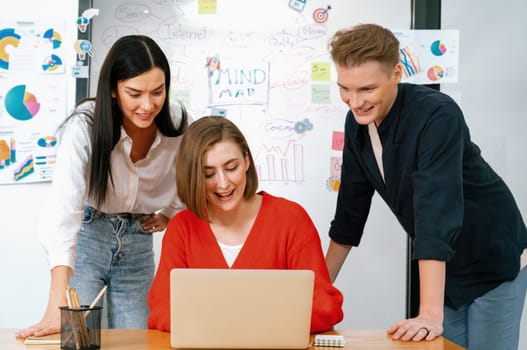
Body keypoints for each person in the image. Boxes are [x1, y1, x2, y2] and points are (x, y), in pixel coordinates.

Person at [325, 23, 527, 349]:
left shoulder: (436, 115)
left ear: (396, 73)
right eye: (345, 88)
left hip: (492, 255)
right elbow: (350, 211)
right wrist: (319, 288)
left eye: (367, 89)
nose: (355, 101)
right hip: (445, 266)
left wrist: (430, 313)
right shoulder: (357, 125)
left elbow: (435, 213)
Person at [16, 34, 189, 338]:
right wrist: (57, 298)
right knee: (77, 337)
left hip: (138, 241)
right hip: (89, 235)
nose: (148, 105)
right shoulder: (85, 125)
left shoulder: (177, 123)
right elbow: (63, 208)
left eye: (157, 92)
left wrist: (172, 212)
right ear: (112, 89)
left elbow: (194, 174)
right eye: (134, 93)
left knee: (136, 339)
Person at [147, 116, 343, 333]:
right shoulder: (182, 228)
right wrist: (252, 318)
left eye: (231, 168)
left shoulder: (291, 220)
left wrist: (230, 321)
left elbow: (325, 306)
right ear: (192, 176)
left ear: (247, 161)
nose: (223, 184)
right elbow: (162, 310)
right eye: (208, 174)